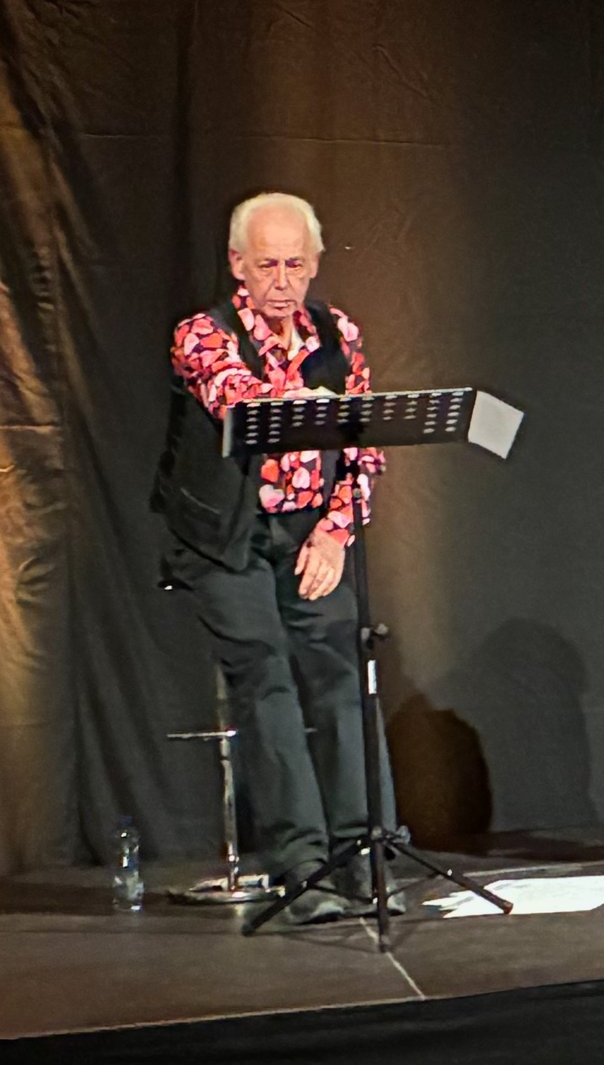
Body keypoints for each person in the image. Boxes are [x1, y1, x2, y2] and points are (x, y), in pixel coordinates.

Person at [153, 192, 398, 923]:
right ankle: (302, 866)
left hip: (307, 529)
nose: (283, 281)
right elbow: (248, 407)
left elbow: (361, 449)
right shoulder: (203, 335)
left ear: (316, 263)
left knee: (341, 674)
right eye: (268, 265)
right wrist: (312, 398)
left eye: (296, 264)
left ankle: (366, 855)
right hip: (227, 536)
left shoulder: (338, 332)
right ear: (238, 264)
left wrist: (334, 533)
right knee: (267, 678)